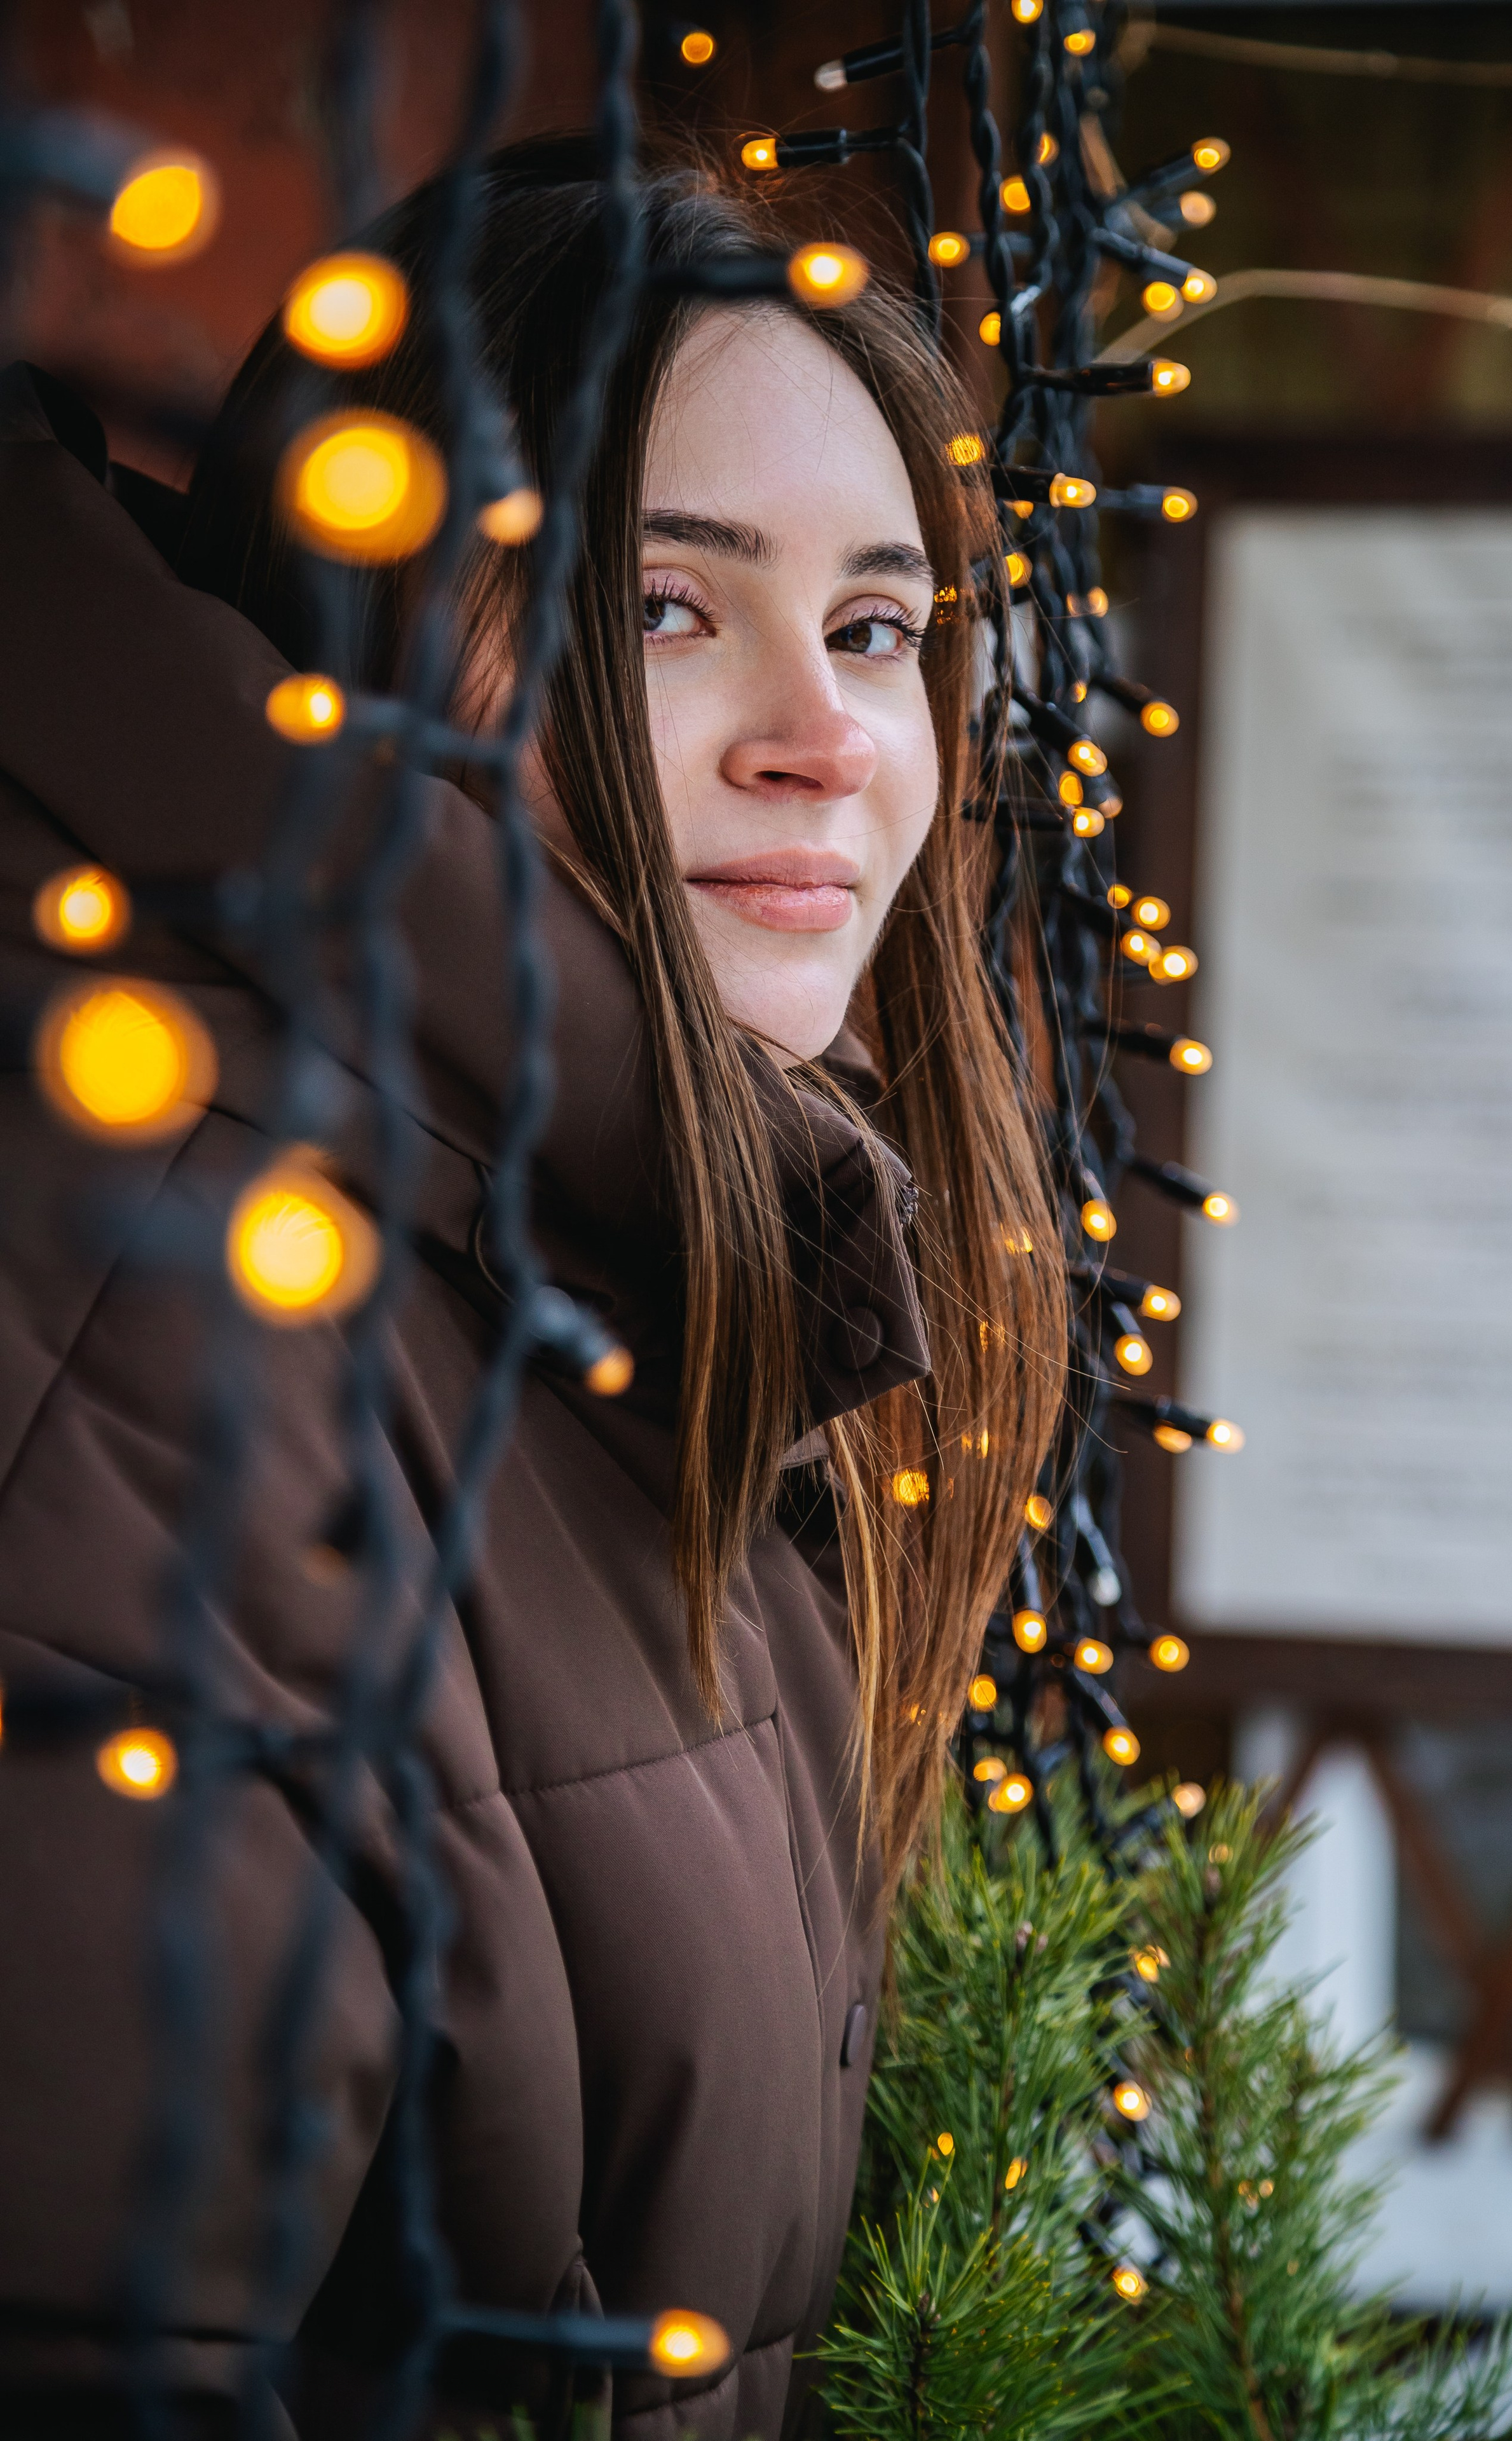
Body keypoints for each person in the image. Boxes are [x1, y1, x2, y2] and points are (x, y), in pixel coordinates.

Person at [0, 140, 1065, 2438]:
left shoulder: (619, 1292)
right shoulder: (179, 1365)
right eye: (666, 607)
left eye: (877, 626)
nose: (825, 734)